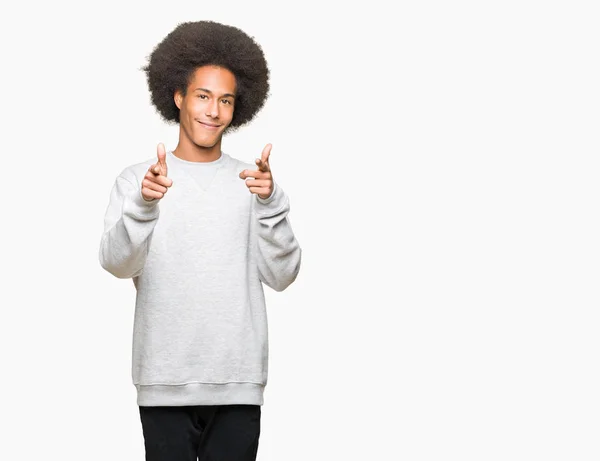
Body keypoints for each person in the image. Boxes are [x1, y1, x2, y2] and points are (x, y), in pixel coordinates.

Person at [98, 20, 301, 461]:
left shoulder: (254, 183)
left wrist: (269, 204)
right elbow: (117, 263)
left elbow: (283, 276)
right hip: (164, 381)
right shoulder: (139, 181)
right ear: (179, 97)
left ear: (236, 108)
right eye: (203, 96)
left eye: (225, 100)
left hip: (238, 381)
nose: (213, 111)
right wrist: (143, 208)